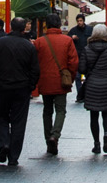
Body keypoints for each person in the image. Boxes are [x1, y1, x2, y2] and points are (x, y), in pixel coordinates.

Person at [0, 17, 39, 167]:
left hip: (2, 87)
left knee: (2, 117)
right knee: (18, 122)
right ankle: (14, 156)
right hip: (22, 88)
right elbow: (35, 70)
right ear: (24, 29)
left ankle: (4, 144)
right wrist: (31, 85)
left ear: (10, 26)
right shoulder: (28, 47)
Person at [34, 13, 81, 155]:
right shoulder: (67, 41)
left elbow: (34, 63)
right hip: (61, 81)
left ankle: (48, 138)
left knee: (47, 111)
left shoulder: (39, 42)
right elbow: (74, 62)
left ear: (46, 25)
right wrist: (70, 78)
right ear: (59, 24)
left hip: (45, 80)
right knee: (61, 110)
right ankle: (55, 135)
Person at [77, 23, 107, 155]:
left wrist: (89, 71)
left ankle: (96, 144)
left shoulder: (87, 49)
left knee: (94, 115)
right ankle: (106, 134)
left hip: (92, 84)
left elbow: (81, 68)